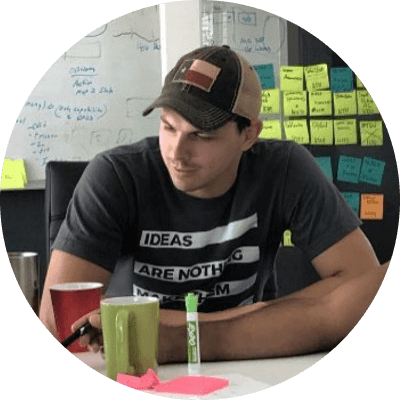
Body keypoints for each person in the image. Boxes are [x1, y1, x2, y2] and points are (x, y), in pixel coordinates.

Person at [39, 45, 388, 362]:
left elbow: (359, 288)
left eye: (201, 135)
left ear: (249, 134)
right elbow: (61, 322)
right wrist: (258, 321)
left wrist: (184, 332)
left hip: (250, 363)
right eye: (168, 127)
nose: (177, 153)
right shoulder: (115, 175)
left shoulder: (284, 169)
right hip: (137, 361)